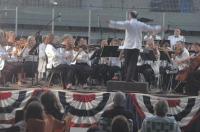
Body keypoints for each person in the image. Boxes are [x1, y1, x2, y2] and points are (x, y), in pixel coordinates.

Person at [108, 11, 161, 82]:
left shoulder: (128, 23)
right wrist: (160, 27)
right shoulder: (140, 24)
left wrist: (110, 22)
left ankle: (127, 79)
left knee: (127, 63)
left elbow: (118, 25)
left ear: (130, 16)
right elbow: (150, 28)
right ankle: (129, 79)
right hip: (136, 47)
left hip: (127, 46)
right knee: (132, 64)